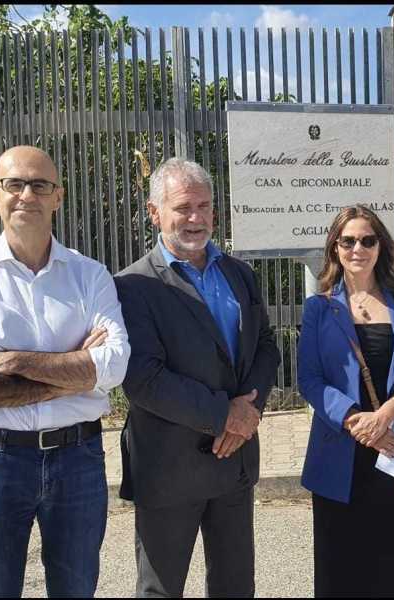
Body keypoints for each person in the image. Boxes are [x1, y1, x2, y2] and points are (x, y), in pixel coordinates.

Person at [0, 145, 130, 597]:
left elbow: (115, 364)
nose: (27, 195)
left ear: (58, 196)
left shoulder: (90, 275)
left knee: (76, 589)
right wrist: (74, 376)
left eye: (40, 185)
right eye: (14, 184)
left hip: (77, 458)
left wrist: (15, 362)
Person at [114, 157, 280, 598]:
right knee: (161, 590)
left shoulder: (238, 273)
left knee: (235, 586)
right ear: (155, 213)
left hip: (234, 459)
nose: (196, 218)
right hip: (170, 468)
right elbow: (143, 379)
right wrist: (226, 415)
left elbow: (265, 345)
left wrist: (248, 413)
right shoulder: (132, 286)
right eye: (183, 208)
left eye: (204, 206)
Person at [297, 205, 394, 598]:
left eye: (367, 240)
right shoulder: (319, 307)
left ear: (380, 247)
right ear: (335, 248)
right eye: (348, 241)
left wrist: (385, 415)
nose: (358, 248)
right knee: (340, 569)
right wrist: (359, 422)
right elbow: (310, 379)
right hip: (339, 450)